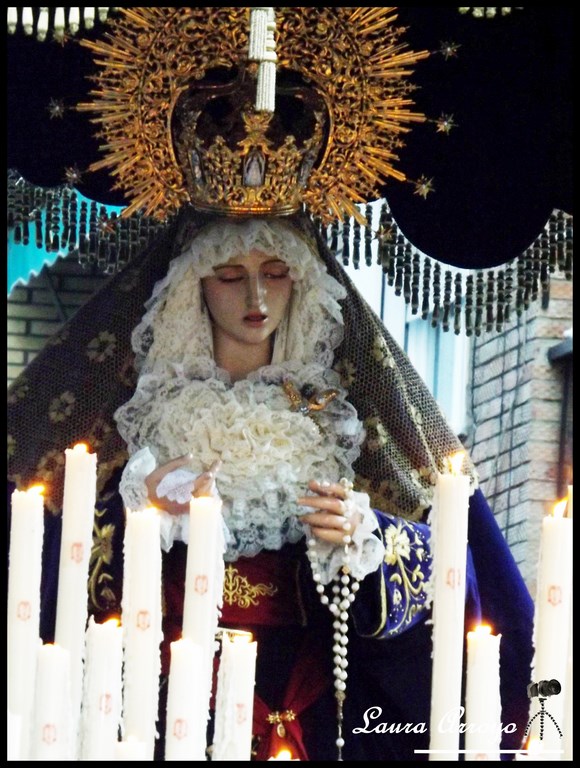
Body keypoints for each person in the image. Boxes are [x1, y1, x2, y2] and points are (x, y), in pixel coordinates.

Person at [7, 7, 534, 761]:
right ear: (193, 288)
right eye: (230, 275)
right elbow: (47, 569)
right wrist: (136, 516)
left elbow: (452, 578)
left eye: (277, 273)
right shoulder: (138, 422)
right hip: (157, 714)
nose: (255, 297)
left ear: (304, 286)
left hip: (314, 710)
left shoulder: (347, 421)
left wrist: (367, 539)